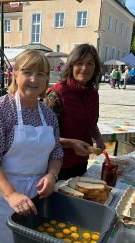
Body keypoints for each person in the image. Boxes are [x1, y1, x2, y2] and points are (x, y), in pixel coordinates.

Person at [0, 50, 63, 243]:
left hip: (36, 196)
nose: (34, 79)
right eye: (28, 72)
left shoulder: (49, 115)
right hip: (3, 196)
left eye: (41, 74)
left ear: (47, 79)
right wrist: (11, 194)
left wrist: (52, 175)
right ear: (14, 74)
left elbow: (56, 152)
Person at [44, 43, 104, 180]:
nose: (85, 68)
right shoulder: (56, 94)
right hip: (56, 167)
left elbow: (92, 123)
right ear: (71, 66)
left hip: (81, 163)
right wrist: (71, 143)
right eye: (79, 63)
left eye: (90, 63)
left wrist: (98, 136)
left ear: (95, 68)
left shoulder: (93, 94)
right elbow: (44, 136)